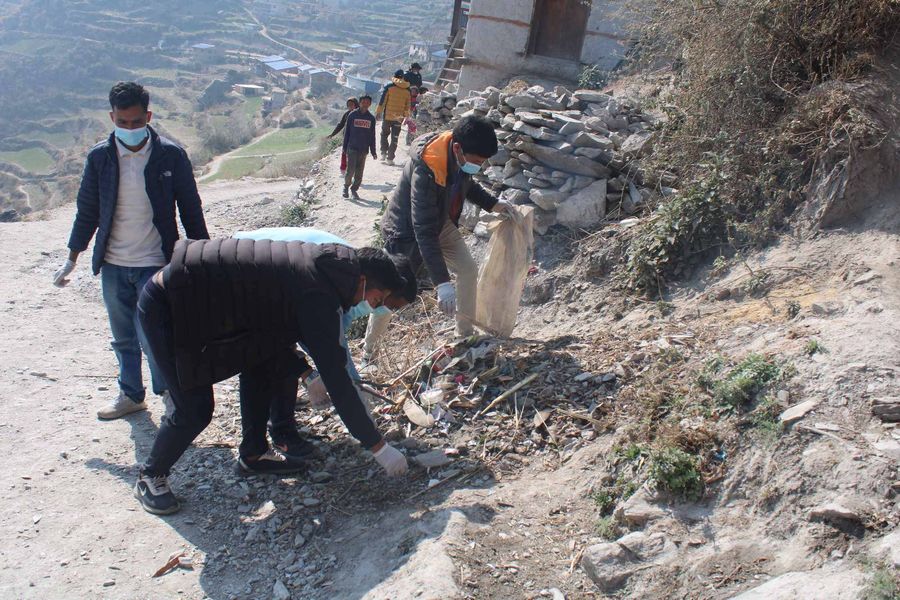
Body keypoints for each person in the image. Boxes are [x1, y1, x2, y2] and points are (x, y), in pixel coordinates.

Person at [134, 238, 411, 515]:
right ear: (363, 280)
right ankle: (150, 476)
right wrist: (378, 447)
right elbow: (337, 377)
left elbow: (275, 332)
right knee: (194, 408)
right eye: (375, 299)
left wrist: (305, 373)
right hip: (171, 304)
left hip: (204, 301)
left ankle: (253, 455)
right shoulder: (319, 292)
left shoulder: (330, 267)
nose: (371, 306)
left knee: (261, 364)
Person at [52, 81, 209, 420]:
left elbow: (191, 209)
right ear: (111, 117)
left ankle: (168, 394)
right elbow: (88, 210)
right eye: (122, 123)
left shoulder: (171, 155)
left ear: (148, 116)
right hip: (113, 264)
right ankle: (130, 394)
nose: (130, 129)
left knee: (158, 336)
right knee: (123, 336)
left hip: (156, 262)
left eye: (136, 122)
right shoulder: (100, 158)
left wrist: (203, 257)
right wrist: (71, 257)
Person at [231, 226, 417, 459]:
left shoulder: (353, 271)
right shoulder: (342, 279)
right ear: (380, 287)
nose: (386, 309)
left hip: (257, 270)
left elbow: (334, 343)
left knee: (281, 357)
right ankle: (279, 435)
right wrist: (371, 436)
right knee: (270, 358)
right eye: (388, 303)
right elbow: (333, 355)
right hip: (245, 272)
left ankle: (270, 439)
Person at [371, 116, 520, 350]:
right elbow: (423, 229)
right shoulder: (427, 167)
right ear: (458, 149)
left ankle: (464, 335)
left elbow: (467, 184)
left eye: (482, 162)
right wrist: (442, 283)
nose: (478, 166)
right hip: (406, 231)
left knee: (468, 270)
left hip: (440, 222)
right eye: (476, 161)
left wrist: (493, 204)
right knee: (391, 289)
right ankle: (370, 351)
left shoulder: (460, 150)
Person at [342, 95, 377, 200]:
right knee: (350, 170)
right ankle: (346, 187)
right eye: (363, 102)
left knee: (359, 173)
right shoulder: (352, 115)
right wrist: (344, 147)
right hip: (352, 147)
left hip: (363, 149)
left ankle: (354, 190)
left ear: (370, 104)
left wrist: (373, 151)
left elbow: (372, 135)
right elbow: (347, 132)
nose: (365, 104)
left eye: (368, 102)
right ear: (360, 103)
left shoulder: (371, 118)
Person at [375, 70, 411, 166]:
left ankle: (383, 153)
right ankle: (390, 159)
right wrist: (406, 116)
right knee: (394, 138)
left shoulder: (389, 87)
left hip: (387, 116)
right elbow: (408, 106)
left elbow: (383, 101)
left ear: (394, 76)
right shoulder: (407, 90)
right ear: (402, 77)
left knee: (384, 134)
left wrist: (378, 112)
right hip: (398, 118)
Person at [327, 97, 359, 175]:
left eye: (351, 105)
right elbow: (340, 125)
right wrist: (332, 134)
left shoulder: (360, 114)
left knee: (356, 154)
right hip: (346, 137)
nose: (350, 107)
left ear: (356, 105)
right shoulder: (347, 114)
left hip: (357, 138)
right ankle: (343, 168)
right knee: (344, 152)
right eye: (348, 105)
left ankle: (355, 170)